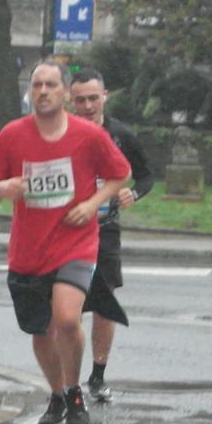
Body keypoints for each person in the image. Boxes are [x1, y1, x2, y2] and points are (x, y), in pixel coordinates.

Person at [0, 60, 130, 424]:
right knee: (41, 331)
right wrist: (5, 188)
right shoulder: (12, 135)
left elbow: (120, 173)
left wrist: (92, 205)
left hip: (75, 242)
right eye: (36, 86)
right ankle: (57, 393)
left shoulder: (87, 135)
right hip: (29, 250)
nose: (42, 92)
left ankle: (75, 389)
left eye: (50, 85)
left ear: (64, 93)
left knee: (65, 318)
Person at [68, 69, 154, 402]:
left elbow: (146, 176)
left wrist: (135, 193)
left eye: (93, 98)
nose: (87, 105)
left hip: (105, 230)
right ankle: (66, 379)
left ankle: (98, 375)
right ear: (71, 101)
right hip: (68, 231)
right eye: (80, 99)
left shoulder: (121, 135)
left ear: (104, 96)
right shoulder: (62, 132)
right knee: (67, 305)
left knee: (105, 304)